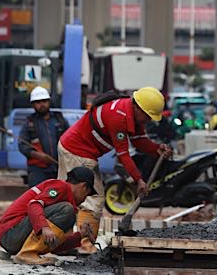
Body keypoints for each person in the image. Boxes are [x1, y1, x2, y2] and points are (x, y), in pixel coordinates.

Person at [57, 87, 172, 254]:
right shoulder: (118, 116)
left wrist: (156, 149)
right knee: (92, 198)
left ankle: (62, 243)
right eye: (147, 116)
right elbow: (123, 155)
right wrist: (138, 180)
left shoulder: (131, 113)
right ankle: (84, 245)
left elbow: (139, 141)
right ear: (138, 108)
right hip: (78, 152)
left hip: (75, 149)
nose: (148, 121)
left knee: (67, 197)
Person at [0, 167, 96, 265]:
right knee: (67, 209)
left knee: (68, 212)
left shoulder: (65, 209)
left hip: (13, 238)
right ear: (84, 186)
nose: (83, 200)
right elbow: (34, 205)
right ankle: (27, 254)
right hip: (9, 233)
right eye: (86, 195)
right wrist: (44, 227)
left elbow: (54, 245)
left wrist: (81, 235)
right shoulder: (61, 186)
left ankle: (28, 253)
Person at [19, 87, 69, 186]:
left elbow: (70, 140)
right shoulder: (29, 123)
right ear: (33, 105)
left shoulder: (60, 120)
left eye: (44, 101)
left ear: (49, 101)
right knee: (37, 197)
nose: (42, 104)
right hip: (38, 171)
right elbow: (22, 146)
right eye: (38, 102)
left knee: (56, 197)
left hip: (59, 168)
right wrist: (39, 156)